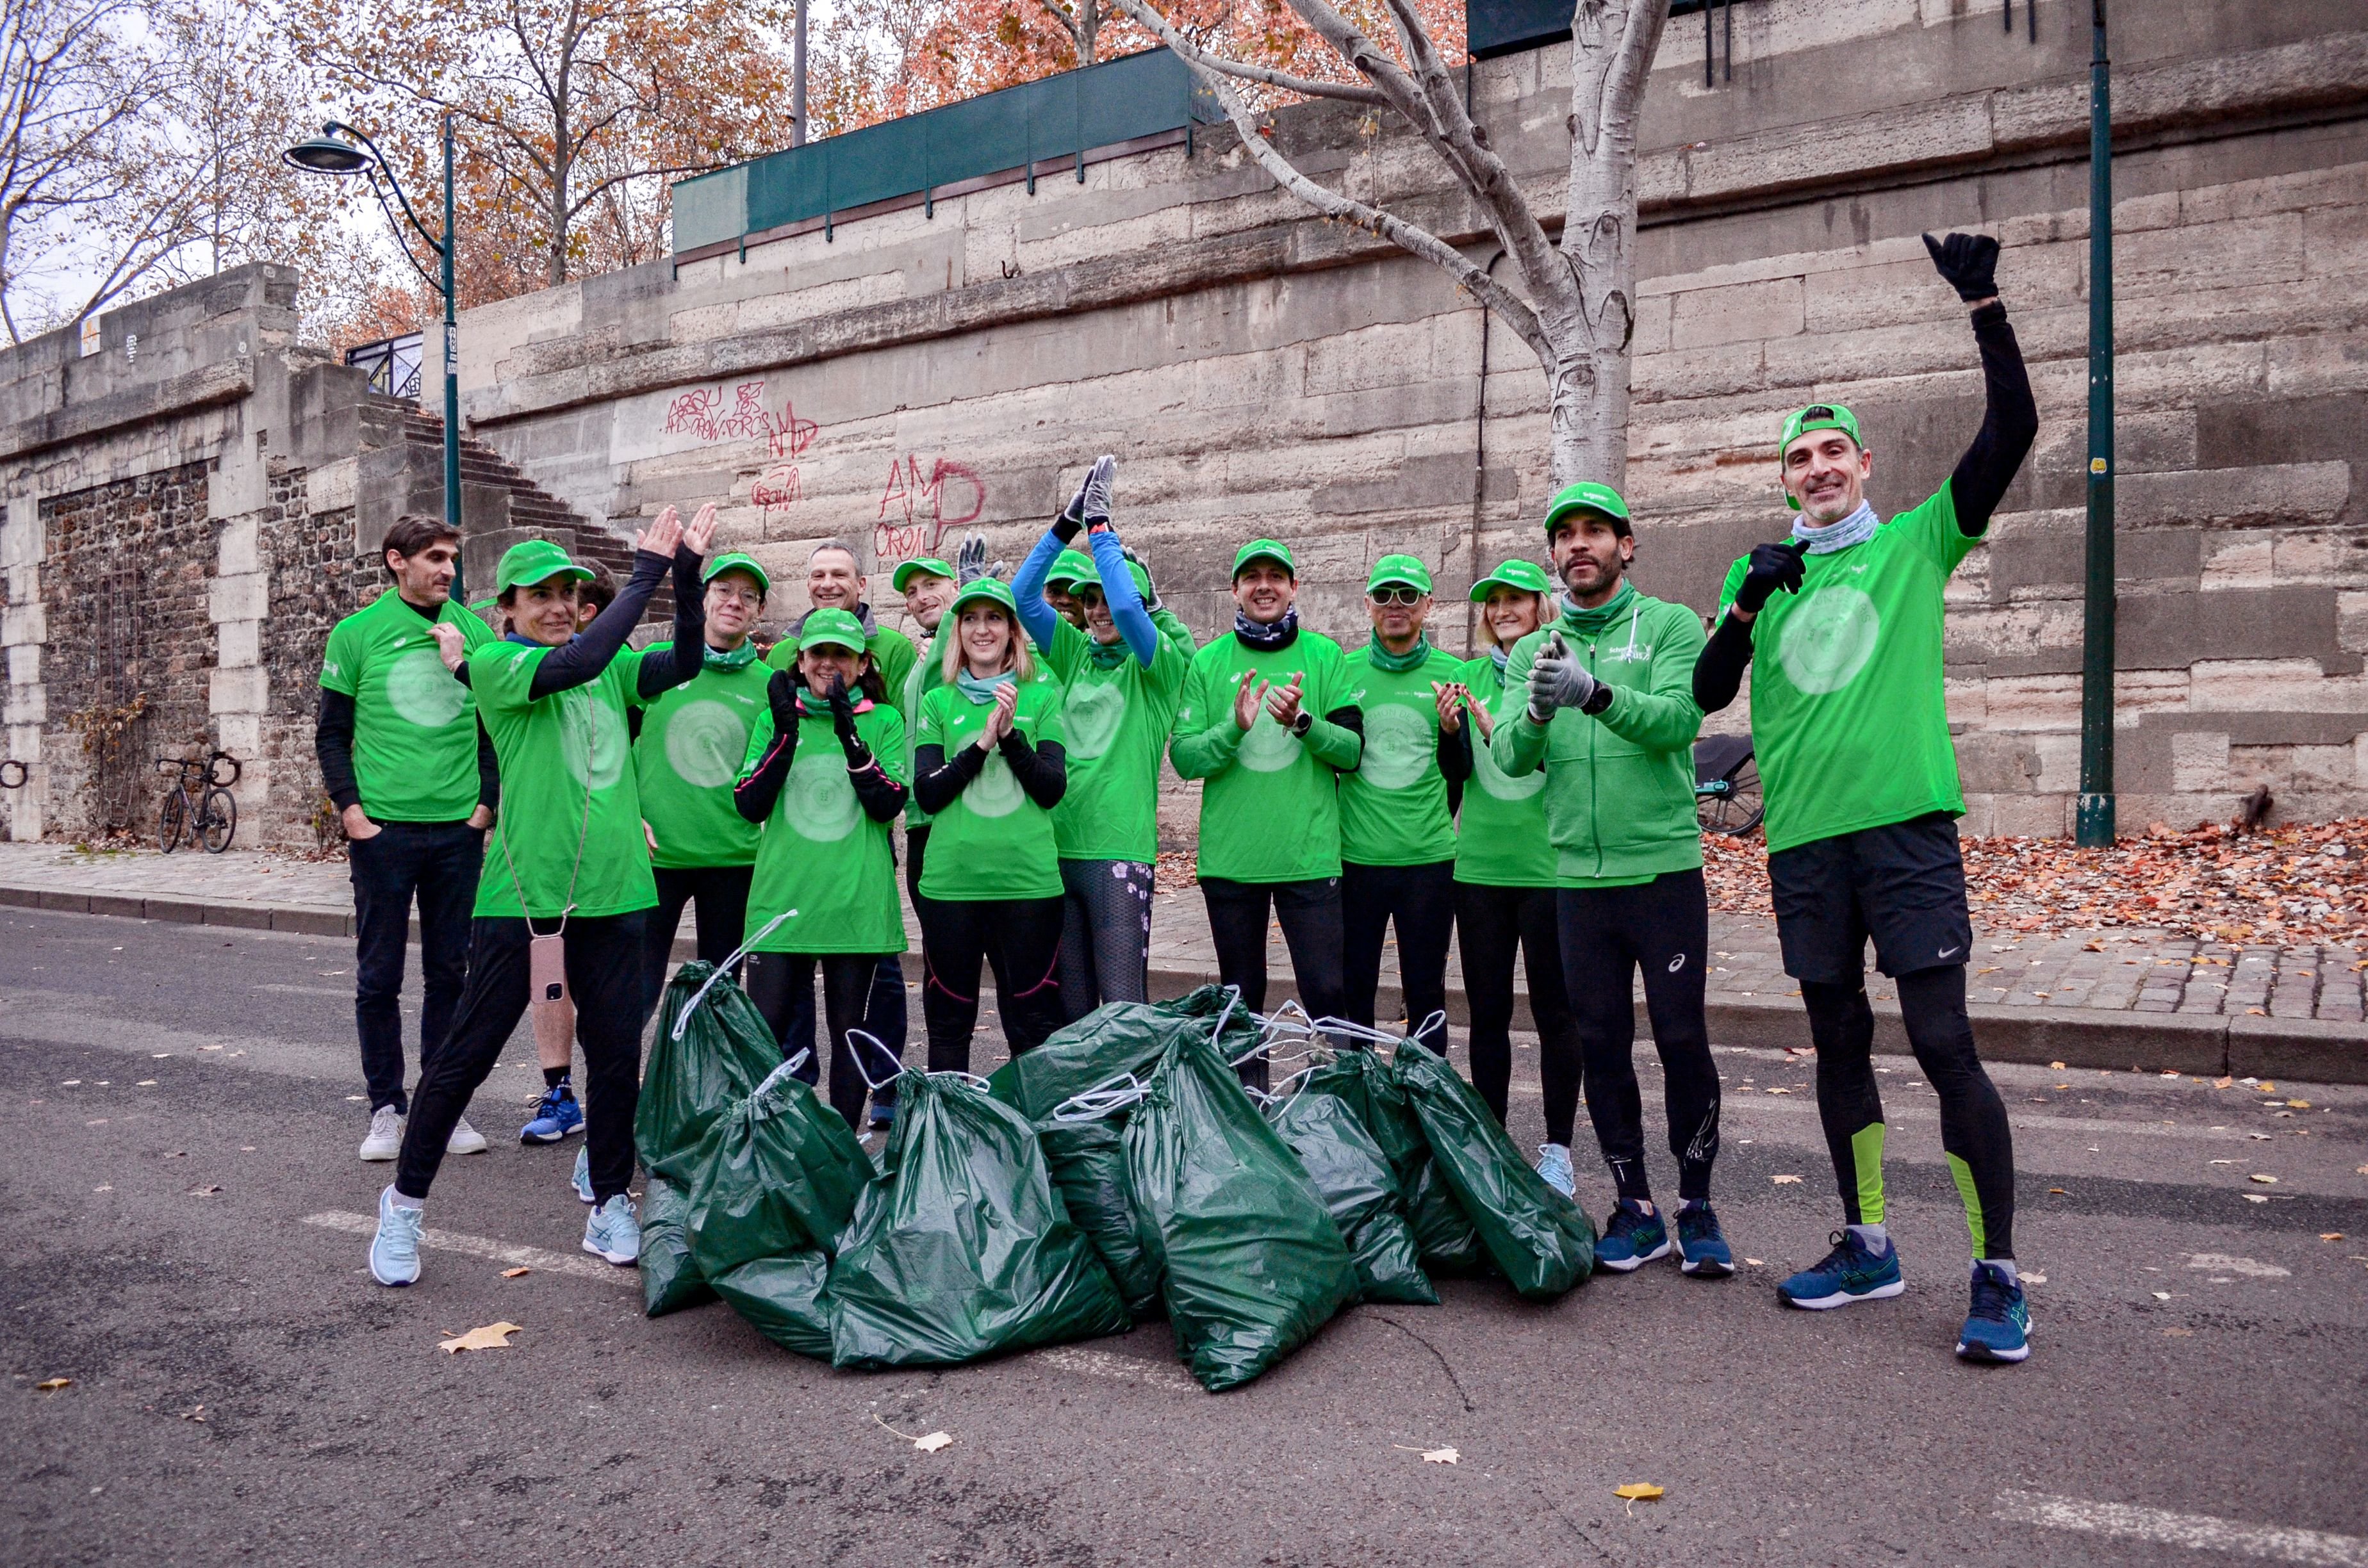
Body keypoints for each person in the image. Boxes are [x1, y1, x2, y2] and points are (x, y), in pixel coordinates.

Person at [1691, 232, 2039, 1360]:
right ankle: (1867, 1240)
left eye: (1834, 452)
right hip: (1805, 847)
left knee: (1943, 1041)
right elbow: (1704, 693)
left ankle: (1996, 1269)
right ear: (1785, 478)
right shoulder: (1768, 578)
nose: (1819, 470)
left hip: (1902, 828)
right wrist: (1746, 603)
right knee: (1837, 1043)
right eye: (1801, 460)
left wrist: (1983, 304)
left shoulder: (1914, 546)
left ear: (1866, 463)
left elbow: (2012, 435)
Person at [365, 506, 716, 1287]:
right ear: (508, 611)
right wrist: (647, 570)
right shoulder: (497, 666)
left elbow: (685, 660)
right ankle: (404, 1206)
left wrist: (687, 578)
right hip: (522, 900)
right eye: (539, 594)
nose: (558, 604)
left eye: (569, 591)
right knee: (465, 1059)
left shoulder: (611, 665)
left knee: (618, 1057)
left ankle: (608, 1206)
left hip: (618, 893)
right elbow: (580, 662)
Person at [1498, 484, 1725, 1276]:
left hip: (1661, 874)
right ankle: (1633, 1206)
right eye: (1565, 535)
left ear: (1627, 545)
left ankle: (1697, 1207)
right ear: (1553, 556)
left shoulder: (1663, 623)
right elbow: (1507, 761)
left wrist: (1591, 694)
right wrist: (1531, 714)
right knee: (1601, 1045)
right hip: (1578, 881)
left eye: (1596, 531)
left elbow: (1679, 719)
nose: (1579, 545)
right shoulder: (1535, 648)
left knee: (1681, 1038)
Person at [317, 514, 498, 1163]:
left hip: (456, 832)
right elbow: (331, 733)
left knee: (453, 972)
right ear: (398, 561)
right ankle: (386, 1109)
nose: (448, 569)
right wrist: (352, 813)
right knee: (379, 976)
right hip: (383, 833)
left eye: (452, 557)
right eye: (435, 558)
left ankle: (441, 1107)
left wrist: (483, 808)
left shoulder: (474, 633)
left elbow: (494, 731)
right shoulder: (357, 634)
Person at [1169, 539, 1362, 1086]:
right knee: (1241, 994)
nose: (1264, 586)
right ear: (1235, 590)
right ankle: (1249, 1106)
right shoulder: (1208, 663)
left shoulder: (1325, 657)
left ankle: (1331, 1103)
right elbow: (1184, 759)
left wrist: (1303, 722)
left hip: (1309, 856)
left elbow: (1351, 752)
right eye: (1251, 577)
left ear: (1294, 587)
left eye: (1276, 576)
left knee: (1327, 991)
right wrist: (1234, 727)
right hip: (1233, 860)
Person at [1012, 457, 1190, 1017]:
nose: (1098, 610)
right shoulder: (1073, 656)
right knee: (1074, 1007)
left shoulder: (1154, 669)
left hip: (1119, 853)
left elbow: (1133, 614)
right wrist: (1066, 525)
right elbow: (1023, 596)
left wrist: (1102, 530)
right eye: (1089, 601)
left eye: (1108, 600)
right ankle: (1088, 1107)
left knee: (1123, 1004)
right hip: (1059, 847)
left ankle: (1133, 1105)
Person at [733, 608, 909, 1129]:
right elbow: (749, 803)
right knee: (765, 1033)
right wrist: (785, 736)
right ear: (801, 660)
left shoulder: (886, 719)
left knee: (848, 1032)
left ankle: (843, 1147)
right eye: (819, 653)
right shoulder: (774, 717)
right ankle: (765, 1141)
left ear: (861, 663)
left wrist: (850, 733)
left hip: (854, 903)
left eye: (842, 654)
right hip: (781, 904)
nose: (829, 663)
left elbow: (888, 803)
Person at [766, 540, 918, 1125]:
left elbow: (896, 722)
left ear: (861, 585)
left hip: (860, 851)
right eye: (818, 574)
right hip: (797, 859)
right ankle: (798, 1090)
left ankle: (882, 1086)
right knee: (792, 994)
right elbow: (765, 773)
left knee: (870, 982)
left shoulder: (894, 648)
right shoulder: (784, 653)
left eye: (840, 574)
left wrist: (854, 730)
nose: (828, 582)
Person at [1449, 559, 1585, 1191]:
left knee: (1557, 1014)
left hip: (1548, 867)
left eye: (1517, 600)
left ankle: (1558, 1149)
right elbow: (1454, 777)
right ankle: (1493, 1140)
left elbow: (1572, 767)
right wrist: (1454, 733)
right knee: (1488, 1013)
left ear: (1540, 609)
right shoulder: (1466, 676)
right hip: (1478, 867)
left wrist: (1504, 731)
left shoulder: (1558, 673)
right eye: (1494, 601)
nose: (1504, 610)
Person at [909, 577, 1069, 1072]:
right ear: (957, 631)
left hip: (1028, 886)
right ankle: (949, 1140)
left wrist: (1011, 738)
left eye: (995, 618)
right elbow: (928, 793)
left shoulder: (1042, 695)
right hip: (951, 887)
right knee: (949, 1023)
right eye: (972, 619)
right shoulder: (938, 700)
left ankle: (1040, 1139)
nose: (983, 629)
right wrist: (981, 745)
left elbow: (1051, 789)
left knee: (1034, 1023)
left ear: (1013, 630)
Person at [625, 550, 774, 1027]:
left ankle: (710, 1094)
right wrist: (626, 811)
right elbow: (606, 746)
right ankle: (619, 1096)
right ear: (703, 598)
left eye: (748, 596)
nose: (735, 602)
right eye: (724, 590)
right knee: (634, 994)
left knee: (719, 998)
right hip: (655, 858)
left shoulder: (772, 685)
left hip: (734, 860)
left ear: (759, 612)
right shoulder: (652, 667)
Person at [1336, 555, 1468, 1054]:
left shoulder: (1454, 673)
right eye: (1384, 595)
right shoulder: (1342, 670)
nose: (1396, 606)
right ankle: (1359, 1095)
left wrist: (1452, 734)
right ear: (1366, 602)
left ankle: (1424, 1100)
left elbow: (1462, 772)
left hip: (1428, 861)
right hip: (1355, 859)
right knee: (1355, 987)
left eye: (1409, 595)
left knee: (1426, 991)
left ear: (1429, 605)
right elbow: (1334, 760)